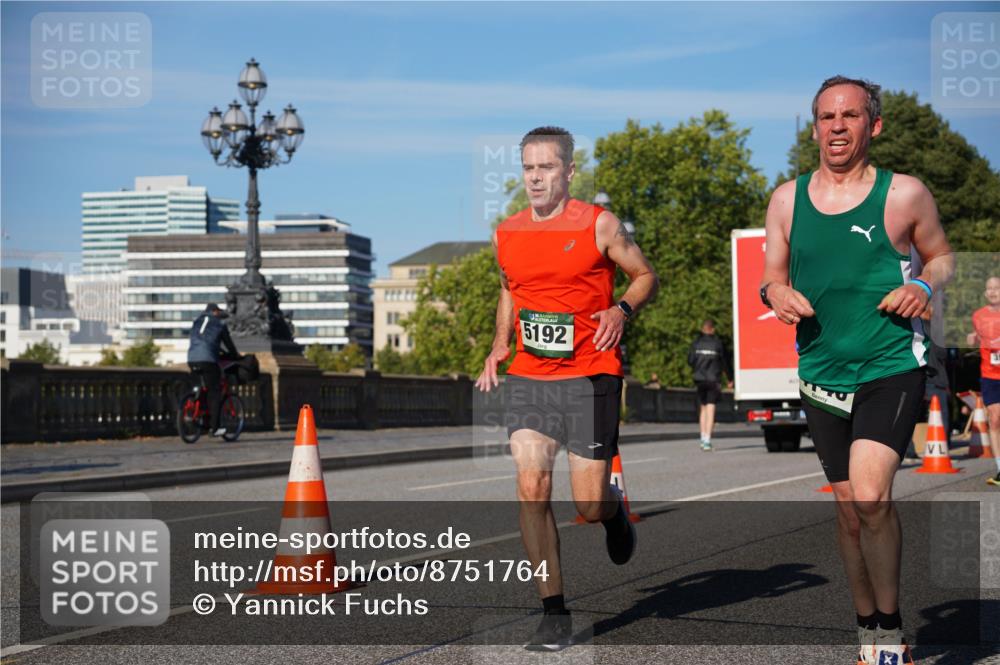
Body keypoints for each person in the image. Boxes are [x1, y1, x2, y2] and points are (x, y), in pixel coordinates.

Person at [760, 75, 954, 665]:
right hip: (820, 372)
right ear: (813, 126)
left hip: (890, 363)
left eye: (849, 116)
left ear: (874, 124)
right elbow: (771, 275)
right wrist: (777, 296)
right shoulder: (786, 200)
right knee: (847, 513)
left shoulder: (905, 195)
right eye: (825, 117)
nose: (836, 127)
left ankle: (891, 635)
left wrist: (922, 282)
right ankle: (866, 628)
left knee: (870, 497)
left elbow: (943, 256)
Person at [475, 127, 658, 651]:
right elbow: (512, 291)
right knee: (531, 488)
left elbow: (645, 275)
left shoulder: (599, 225)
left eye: (547, 168)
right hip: (531, 375)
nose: (536, 177)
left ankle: (614, 513)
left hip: (591, 373)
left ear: (569, 172)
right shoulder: (506, 232)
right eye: (529, 168)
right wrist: (498, 345)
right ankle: (553, 611)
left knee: (588, 503)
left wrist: (621, 310)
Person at [187, 303, 240, 437]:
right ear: (215, 312)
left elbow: (201, 341)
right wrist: (236, 356)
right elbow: (229, 344)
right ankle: (215, 428)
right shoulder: (219, 324)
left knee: (200, 388)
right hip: (208, 361)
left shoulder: (197, 322)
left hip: (192, 358)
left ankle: (193, 413)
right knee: (215, 392)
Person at [968, 276, 1000, 485]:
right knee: (995, 419)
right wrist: (973, 338)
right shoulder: (978, 316)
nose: (992, 291)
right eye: (989, 288)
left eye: (996, 287)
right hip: (989, 374)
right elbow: (980, 338)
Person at [687, 318, 733, 451]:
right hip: (713, 379)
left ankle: (702, 438)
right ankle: (707, 439)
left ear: (702, 329)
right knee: (711, 408)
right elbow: (725, 362)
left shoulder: (696, 343)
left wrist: (698, 368)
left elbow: (690, 360)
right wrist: (730, 379)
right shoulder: (718, 344)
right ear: (712, 329)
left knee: (703, 408)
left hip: (699, 379)